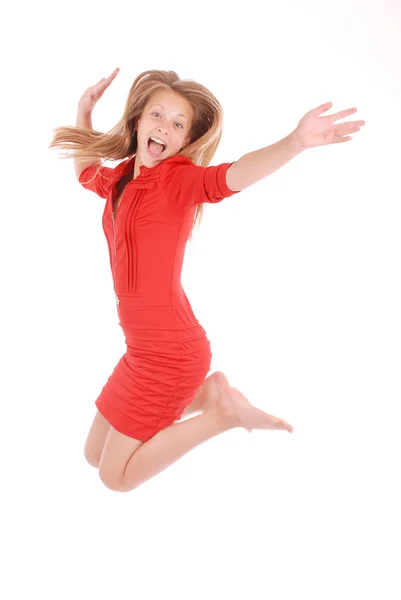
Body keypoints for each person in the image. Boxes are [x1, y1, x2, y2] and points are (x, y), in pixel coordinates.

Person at [49, 68, 365, 493]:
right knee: (93, 454)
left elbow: (231, 176)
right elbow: (87, 172)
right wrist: (83, 111)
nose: (165, 126)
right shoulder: (123, 178)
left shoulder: (176, 180)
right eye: (157, 115)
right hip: (140, 351)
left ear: (184, 141)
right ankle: (209, 394)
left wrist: (294, 142)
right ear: (137, 121)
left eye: (178, 124)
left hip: (169, 355)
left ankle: (222, 415)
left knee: (115, 476)